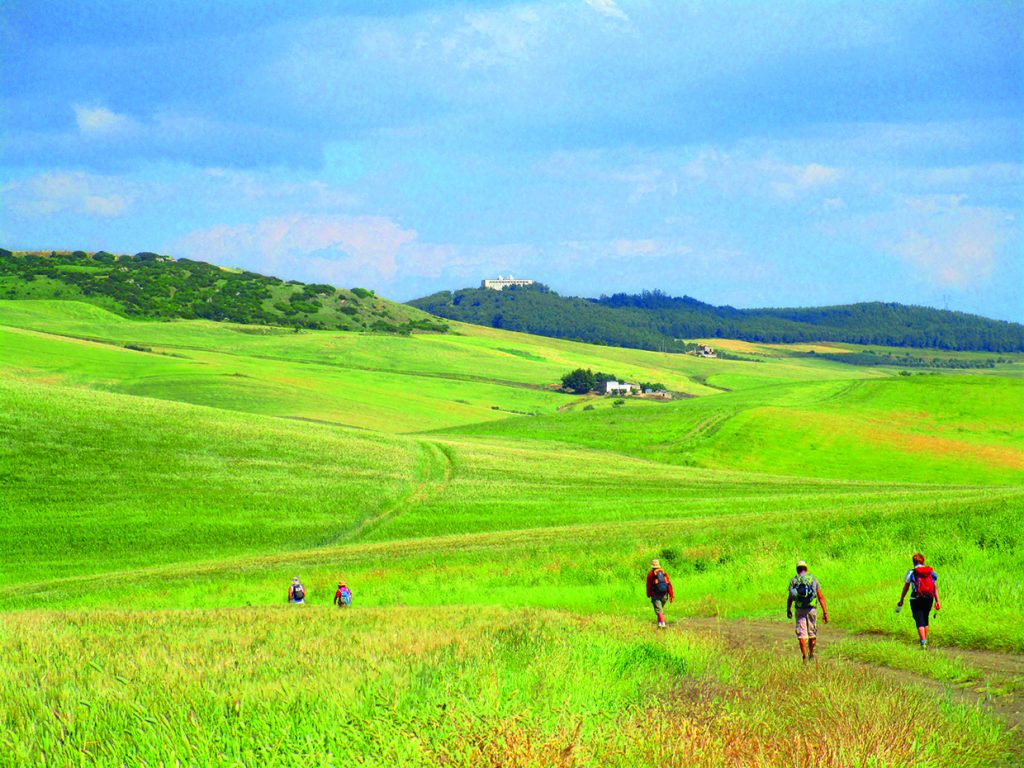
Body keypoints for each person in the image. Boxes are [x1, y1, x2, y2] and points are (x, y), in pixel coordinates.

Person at [787, 560, 828, 662]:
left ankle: (804, 657)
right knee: (812, 633)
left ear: (797, 570)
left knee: (802, 635)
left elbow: (790, 598)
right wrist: (825, 612)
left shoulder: (794, 581)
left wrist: (788, 609)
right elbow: (820, 597)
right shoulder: (813, 580)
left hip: (800, 610)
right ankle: (812, 655)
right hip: (811, 610)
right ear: (806, 569)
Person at [897, 553, 940, 649]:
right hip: (929, 597)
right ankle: (925, 640)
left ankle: (923, 643)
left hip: (916, 598)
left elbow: (906, 587)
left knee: (919, 619)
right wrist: (937, 601)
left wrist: (901, 599)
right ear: (923, 561)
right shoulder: (930, 572)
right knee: (925, 618)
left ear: (913, 562)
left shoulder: (911, 572)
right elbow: (935, 587)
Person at [646, 558, 674, 629]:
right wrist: (671, 595)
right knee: (659, 610)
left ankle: (663, 625)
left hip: (656, 594)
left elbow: (648, 585)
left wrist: (649, 594)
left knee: (659, 611)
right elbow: (669, 583)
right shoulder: (663, 572)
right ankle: (659, 624)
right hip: (665, 594)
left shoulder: (650, 574)